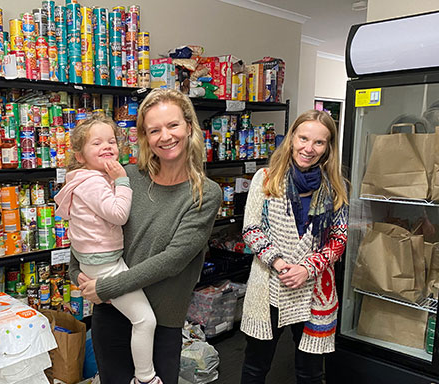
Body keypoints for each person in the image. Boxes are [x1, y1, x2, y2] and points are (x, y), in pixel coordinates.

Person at [71, 89, 223, 384]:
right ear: (145, 137)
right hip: (111, 312)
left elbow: (173, 260)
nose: (165, 136)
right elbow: (87, 225)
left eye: (173, 125)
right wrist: (77, 270)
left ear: (189, 127)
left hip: (161, 318)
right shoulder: (125, 178)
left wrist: (108, 285)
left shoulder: (204, 193)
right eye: (155, 130)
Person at [240, 109, 349, 384]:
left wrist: (306, 269)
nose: (308, 148)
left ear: (327, 148)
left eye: (319, 142)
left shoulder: (335, 187)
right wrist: (279, 263)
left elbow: (338, 239)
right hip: (269, 287)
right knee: (255, 367)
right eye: (303, 138)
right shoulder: (265, 179)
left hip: (314, 292)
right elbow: (251, 229)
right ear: (291, 139)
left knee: (311, 373)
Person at [54, 115, 161, 384]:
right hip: (106, 263)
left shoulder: (87, 178)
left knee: (129, 313)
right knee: (145, 320)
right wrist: (123, 181)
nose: (107, 146)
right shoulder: (92, 182)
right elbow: (118, 214)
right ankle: (145, 379)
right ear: (80, 156)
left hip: (97, 260)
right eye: (97, 143)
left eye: (111, 141)